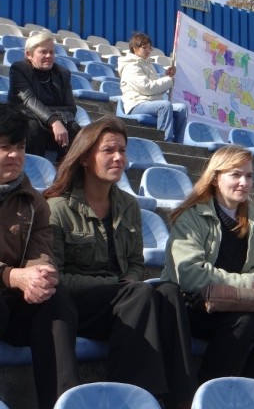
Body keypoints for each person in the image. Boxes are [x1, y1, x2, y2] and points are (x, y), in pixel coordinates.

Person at [44, 116, 196, 408]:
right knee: (138, 293)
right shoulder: (58, 208)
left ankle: (182, 399)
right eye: (109, 151)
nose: (119, 157)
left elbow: (137, 264)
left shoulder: (128, 205)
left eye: (123, 150)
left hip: (125, 302)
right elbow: (58, 279)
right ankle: (134, 398)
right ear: (86, 157)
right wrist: (120, 284)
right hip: (79, 306)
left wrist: (130, 281)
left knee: (169, 293)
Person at [161, 145, 254, 384]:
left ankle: (251, 390)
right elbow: (189, 274)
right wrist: (246, 285)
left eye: (249, 176)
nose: (244, 182)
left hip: (240, 304)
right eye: (235, 174)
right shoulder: (192, 216)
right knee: (243, 321)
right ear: (215, 178)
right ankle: (207, 392)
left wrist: (243, 290)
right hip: (193, 305)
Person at [0, 106, 80, 409]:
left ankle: (62, 402)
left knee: (56, 298)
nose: (15, 155)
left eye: (19, 147)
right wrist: (12, 276)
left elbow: (42, 248)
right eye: (5, 147)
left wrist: (40, 275)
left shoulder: (34, 201)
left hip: (16, 302)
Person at [9, 32, 81, 162]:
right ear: (28, 55)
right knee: (33, 126)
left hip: (52, 126)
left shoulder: (63, 74)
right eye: (43, 52)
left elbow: (71, 108)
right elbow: (28, 101)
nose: (48, 56)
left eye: (51, 52)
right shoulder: (19, 69)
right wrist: (54, 121)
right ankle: (33, 171)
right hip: (25, 122)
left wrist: (55, 121)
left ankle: (65, 172)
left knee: (75, 129)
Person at [118, 33, 188, 142]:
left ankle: (178, 143)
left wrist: (166, 76)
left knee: (182, 108)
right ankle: (165, 142)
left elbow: (155, 87)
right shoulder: (130, 66)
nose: (148, 50)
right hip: (136, 104)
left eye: (149, 48)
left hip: (150, 102)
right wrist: (168, 81)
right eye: (144, 47)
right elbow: (147, 88)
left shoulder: (148, 65)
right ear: (135, 49)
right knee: (164, 106)